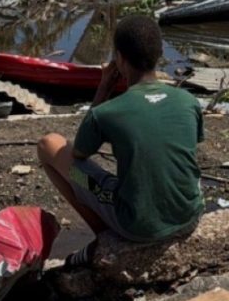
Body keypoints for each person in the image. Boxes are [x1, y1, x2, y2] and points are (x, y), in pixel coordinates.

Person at [37, 14, 204, 266]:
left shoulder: (108, 112)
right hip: (189, 213)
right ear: (158, 55)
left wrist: (103, 89)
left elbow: (79, 153)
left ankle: (103, 235)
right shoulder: (188, 101)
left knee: (49, 145)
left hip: (137, 223)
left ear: (120, 58)